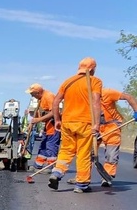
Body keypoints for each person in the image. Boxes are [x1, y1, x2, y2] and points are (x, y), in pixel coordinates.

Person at [48, 57, 102, 193]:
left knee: (66, 150)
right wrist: (97, 124)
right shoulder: (94, 81)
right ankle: (81, 184)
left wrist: (57, 119)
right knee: (83, 153)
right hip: (85, 123)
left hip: (67, 122)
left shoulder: (67, 81)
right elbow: (96, 102)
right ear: (92, 69)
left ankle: (57, 173)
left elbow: (55, 102)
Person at [95, 87, 137, 185]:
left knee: (111, 153)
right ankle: (82, 178)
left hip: (111, 126)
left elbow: (128, 97)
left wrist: (136, 111)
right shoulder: (84, 96)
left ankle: (107, 176)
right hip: (95, 126)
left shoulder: (107, 93)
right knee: (88, 153)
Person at [24, 83, 60, 169]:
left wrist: (38, 120)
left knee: (51, 146)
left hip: (53, 125)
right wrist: (31, 124)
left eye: (32, 94)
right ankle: (38, 165)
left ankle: (51, 166)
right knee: (43, 145)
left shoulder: (48, 96)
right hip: (47, 127)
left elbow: (54, 112)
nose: (31, 96)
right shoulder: (40, 99)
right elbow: (39, 113)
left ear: (37, 92)